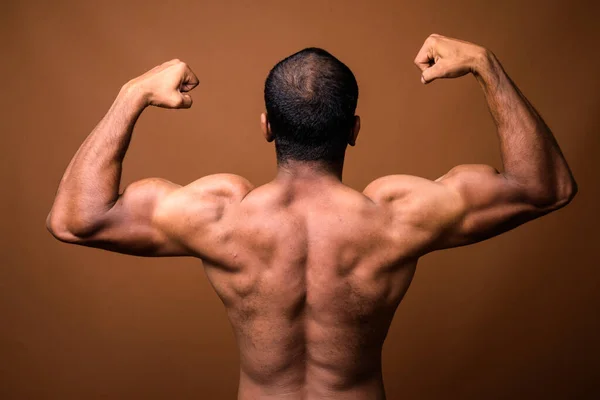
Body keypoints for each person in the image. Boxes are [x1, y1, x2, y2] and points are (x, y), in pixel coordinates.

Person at [47, 34, 577, 399]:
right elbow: (544, 187)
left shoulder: (219, 217)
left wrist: (132, 93)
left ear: (267, 127)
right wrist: (486, 64)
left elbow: (77, 219)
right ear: (354, 129)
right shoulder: (396, 218)